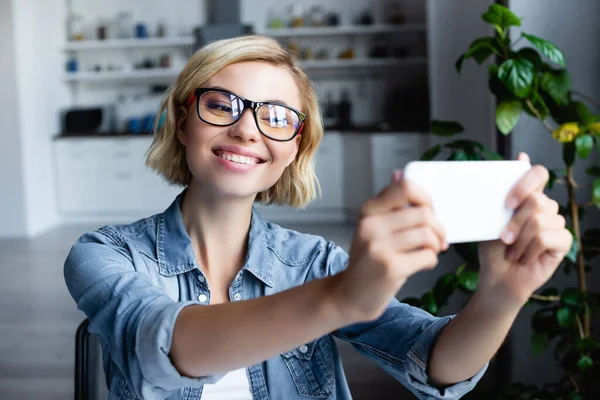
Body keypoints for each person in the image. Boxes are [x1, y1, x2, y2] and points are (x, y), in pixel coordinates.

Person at [64, 35, 572, 400]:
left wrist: (503, 294)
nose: (247, 130)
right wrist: (342, 298)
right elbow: (165, 345)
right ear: (182, 121)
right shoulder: (105, 254)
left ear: (295, 149)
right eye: (222, 106)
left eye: (277, 117)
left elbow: (436, 363)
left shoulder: (315, 264)